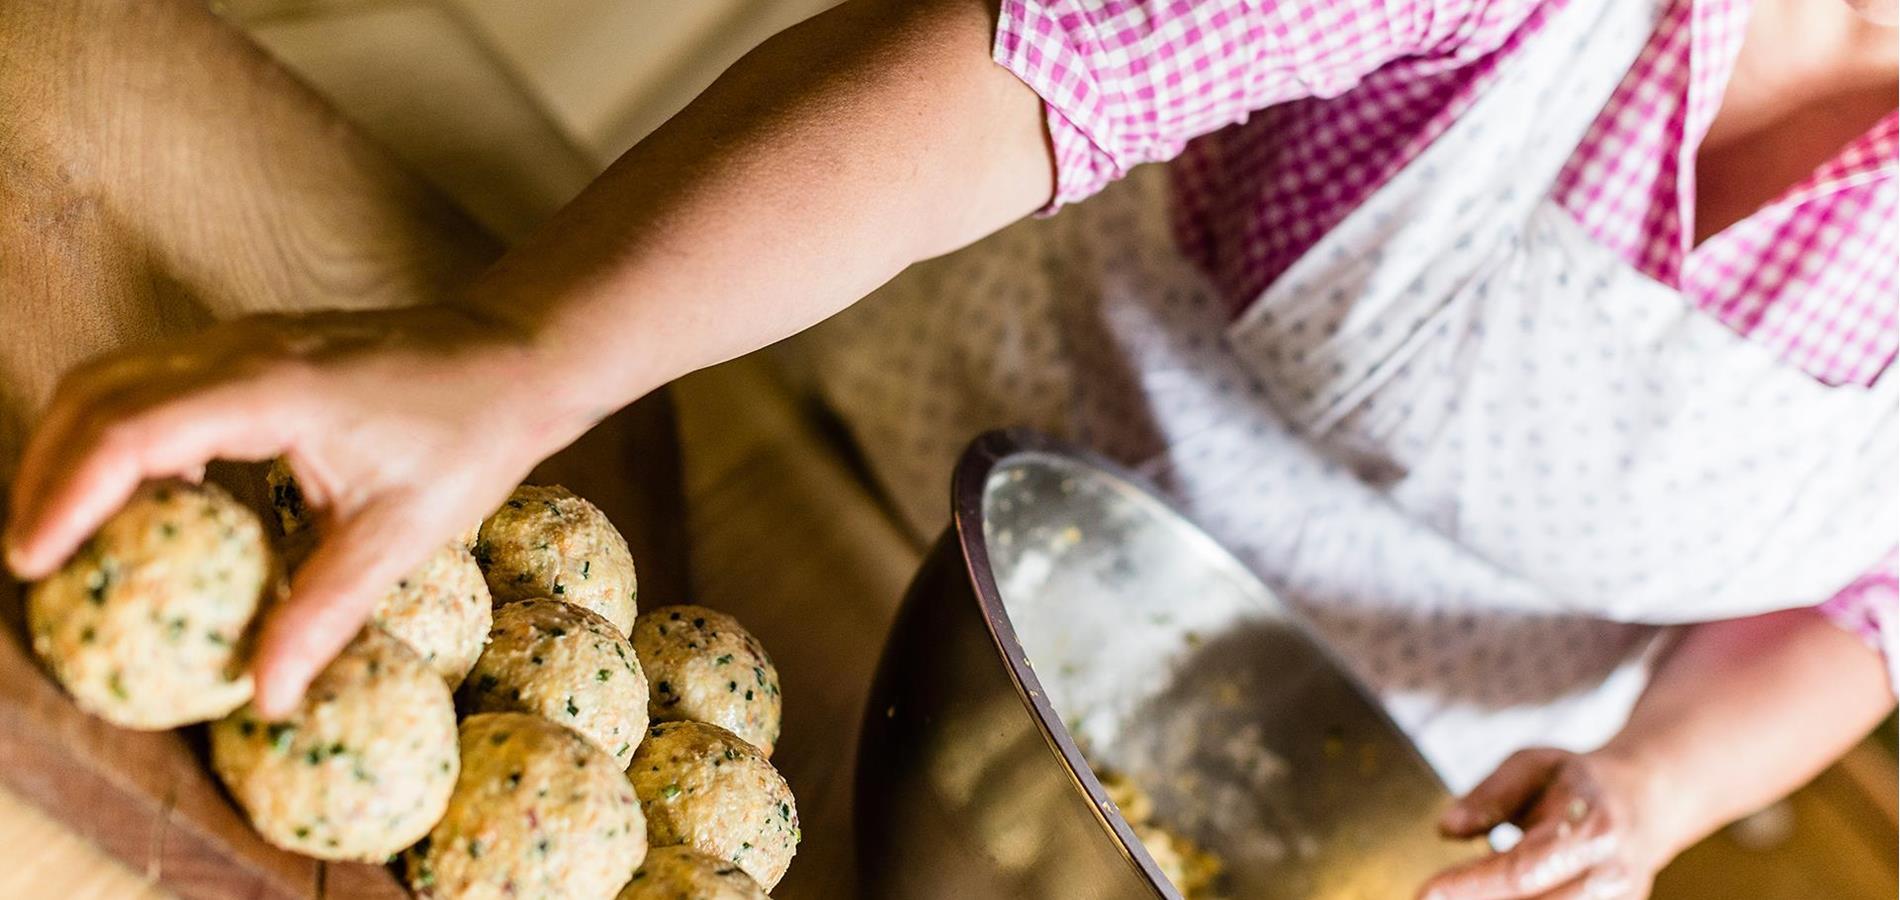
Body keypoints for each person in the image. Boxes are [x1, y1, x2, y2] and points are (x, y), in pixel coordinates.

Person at [3, 0, 1893, 896]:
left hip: (1310, 850)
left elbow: (1863, 595)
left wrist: (1648, 790)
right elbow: (1046, 58)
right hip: (830, 470)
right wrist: (517, 355)